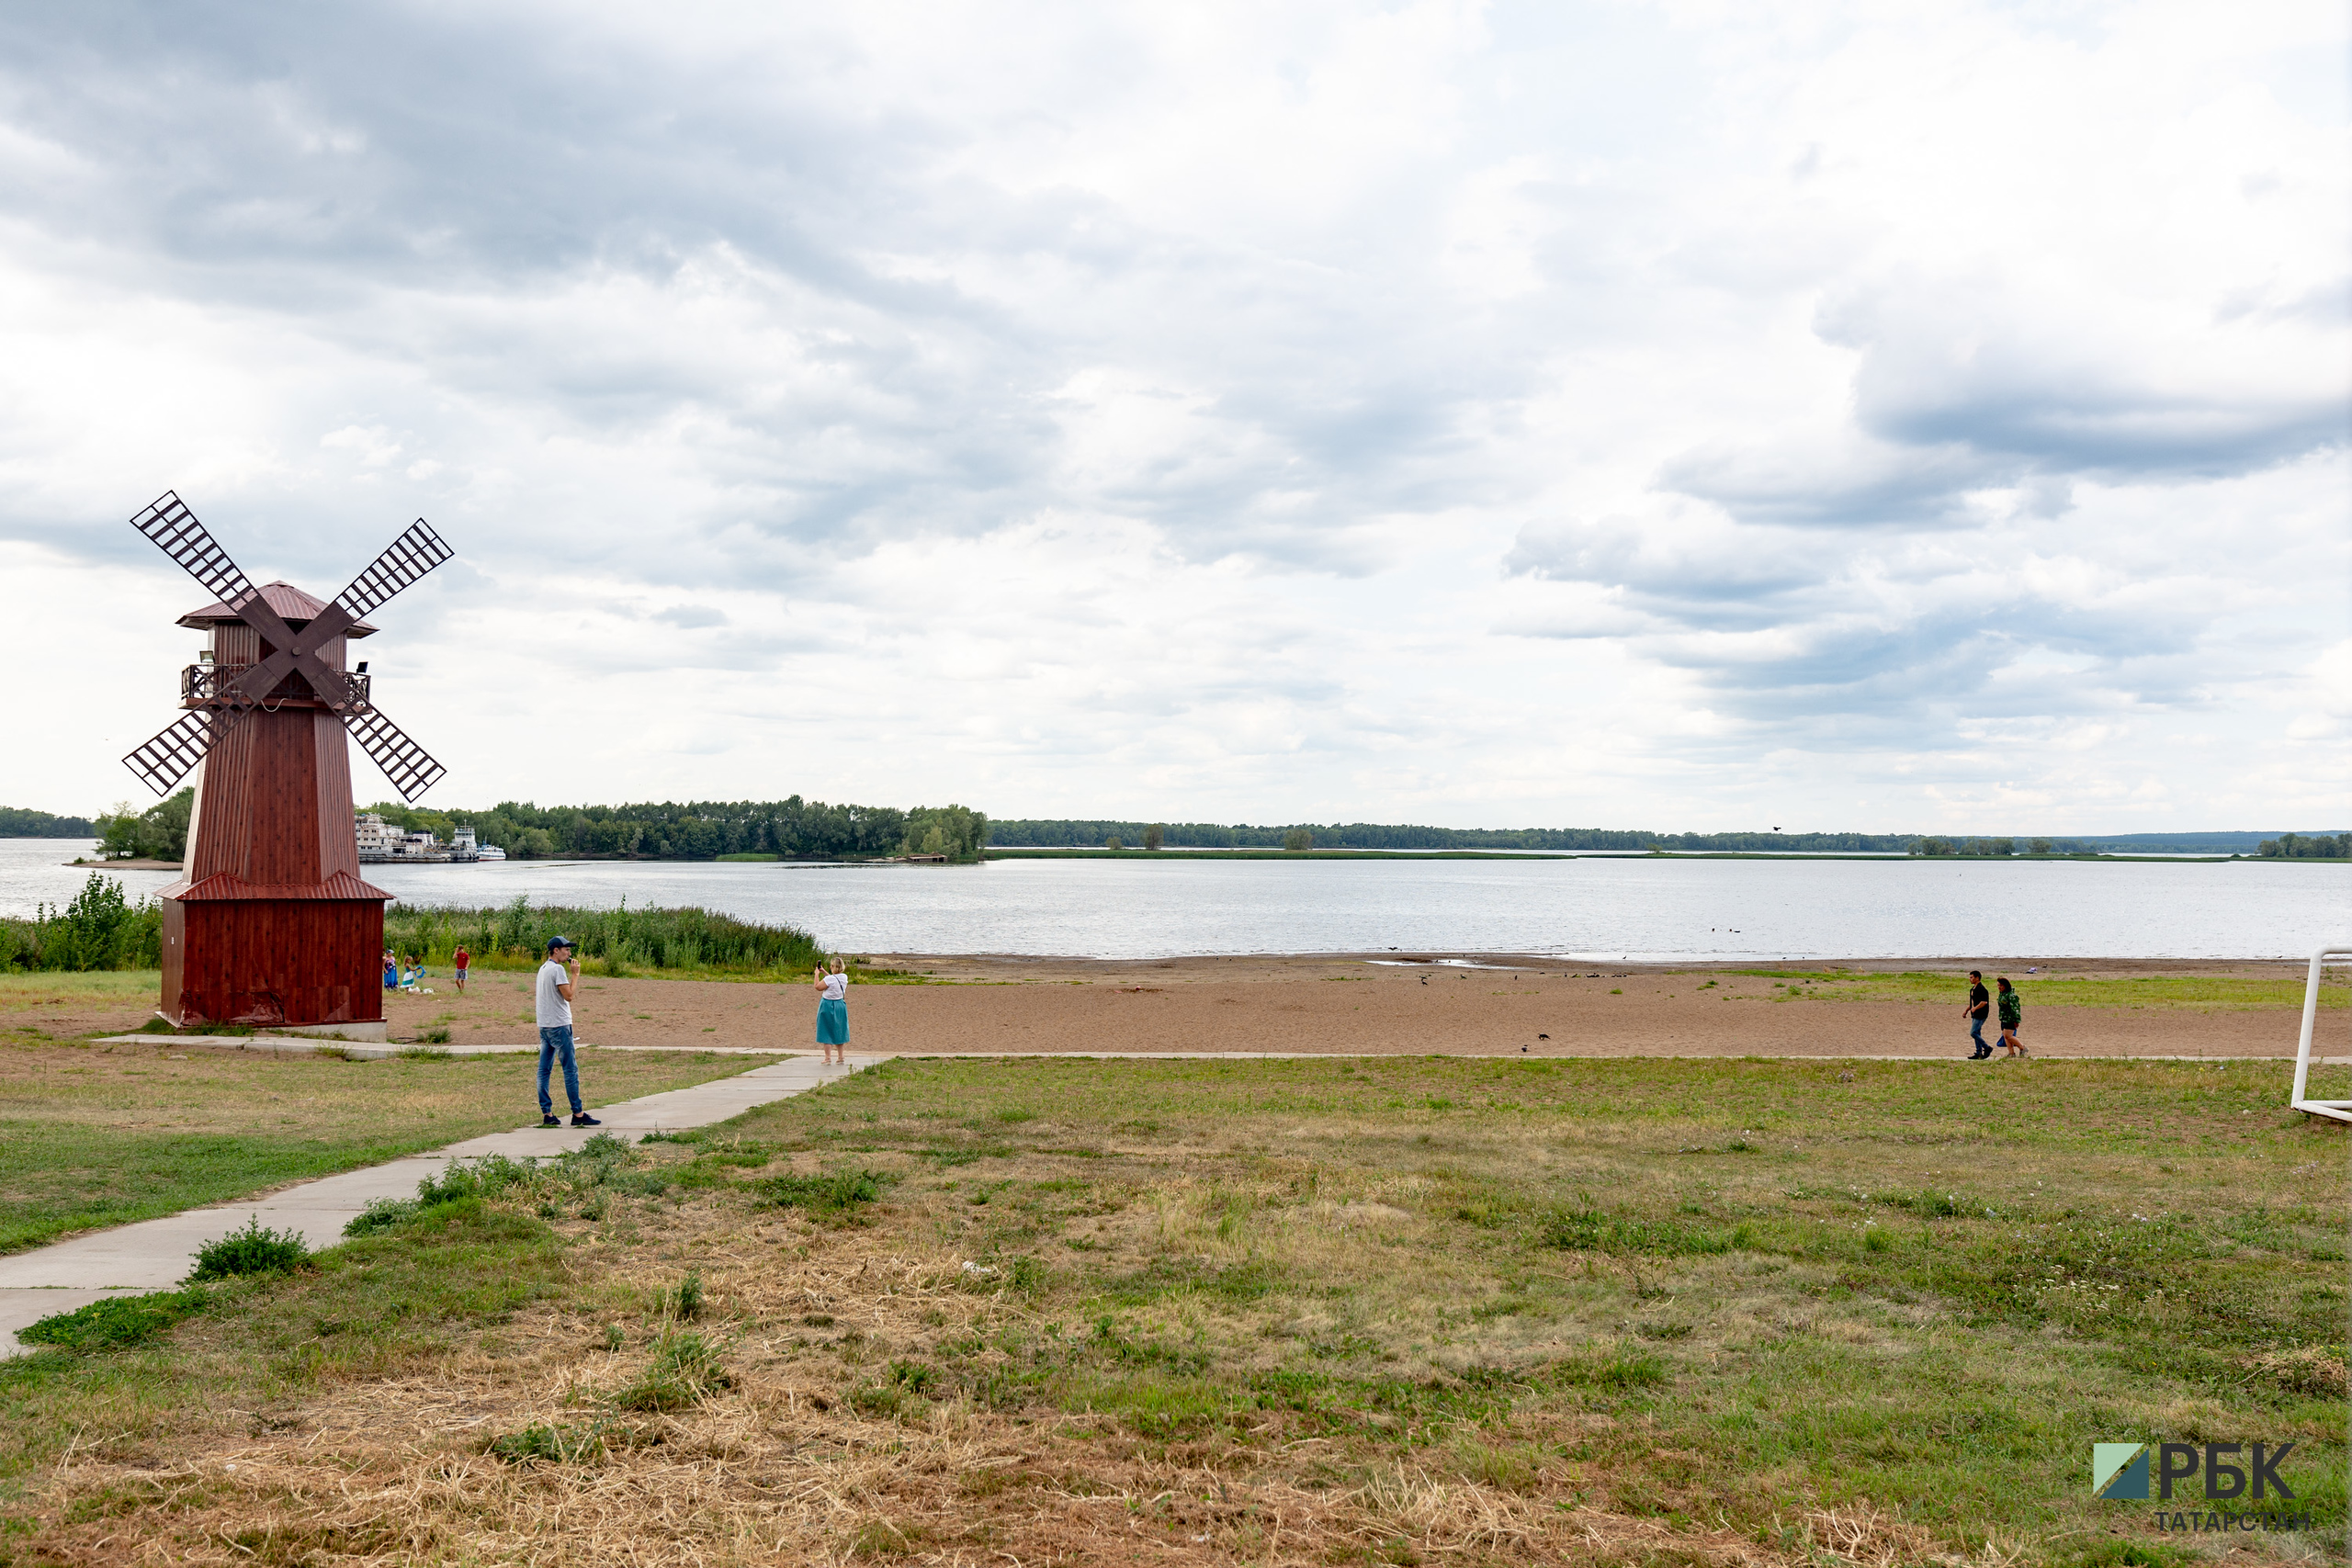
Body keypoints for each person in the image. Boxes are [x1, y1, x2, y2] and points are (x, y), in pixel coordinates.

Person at [536, 936, 600, 1127]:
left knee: (544, 1070)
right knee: (570, 1069)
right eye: (566, 950)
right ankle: (578, 1114)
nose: (569, 953)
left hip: (545, 1024)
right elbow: (569, 996)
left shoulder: (543, 968)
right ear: (556, 950)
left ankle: (547, 1113)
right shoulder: (557, 970)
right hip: (559, 1025)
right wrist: (575, 974)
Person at [814, 954, 850, 1066]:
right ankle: (840, 1057)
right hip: (840, 1004)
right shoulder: (844, 977)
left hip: (827, 1004)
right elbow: (833, 980)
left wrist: (817, 975)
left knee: (826, 1030)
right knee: (839, 1029)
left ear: (833, 966)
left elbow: (818, 987)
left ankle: (828, 1057)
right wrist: (824, 972)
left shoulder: (829, 979)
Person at [1962, 970, 1992, 1059]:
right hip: (1974, 1014)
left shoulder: (1982, 989)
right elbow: (1972, 1003)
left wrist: (1975, 1008)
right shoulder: (1973, 990)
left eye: (1971, 977)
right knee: (1977, 1032)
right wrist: (1966, 1010)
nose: (1970, 979)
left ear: (1977, 978)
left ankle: (1987, 1047)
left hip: (1981, 1014)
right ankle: (1978, 1052)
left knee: (1973, 1032)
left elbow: (1984, 1002)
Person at [1996, 976, 2026, 1057]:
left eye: (2001, 985)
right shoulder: (2002, 995)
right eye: (1998, 985)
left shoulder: (2011, 996)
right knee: (2005, 1036)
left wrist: (2016, 1020)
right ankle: (2011, 1053)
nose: (1999, 987)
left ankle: (2022, 1047)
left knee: (2008, 1036)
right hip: (2004, 1018)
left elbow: (2015, 1008)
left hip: (2010, 1019)